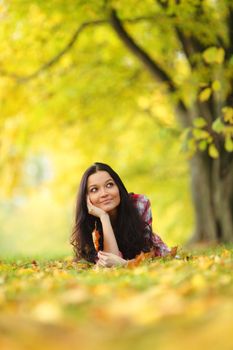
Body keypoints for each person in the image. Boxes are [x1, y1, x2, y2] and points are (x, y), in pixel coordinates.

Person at [71, 162, 170, 267]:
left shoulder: (139, 204)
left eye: (109, 185)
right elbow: (109, 263)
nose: (104, 193)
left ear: (118, 187)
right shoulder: (88, 224)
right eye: (94, 190)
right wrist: (104, 217)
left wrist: (125, 264)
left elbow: (148, 256)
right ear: (87, 199)